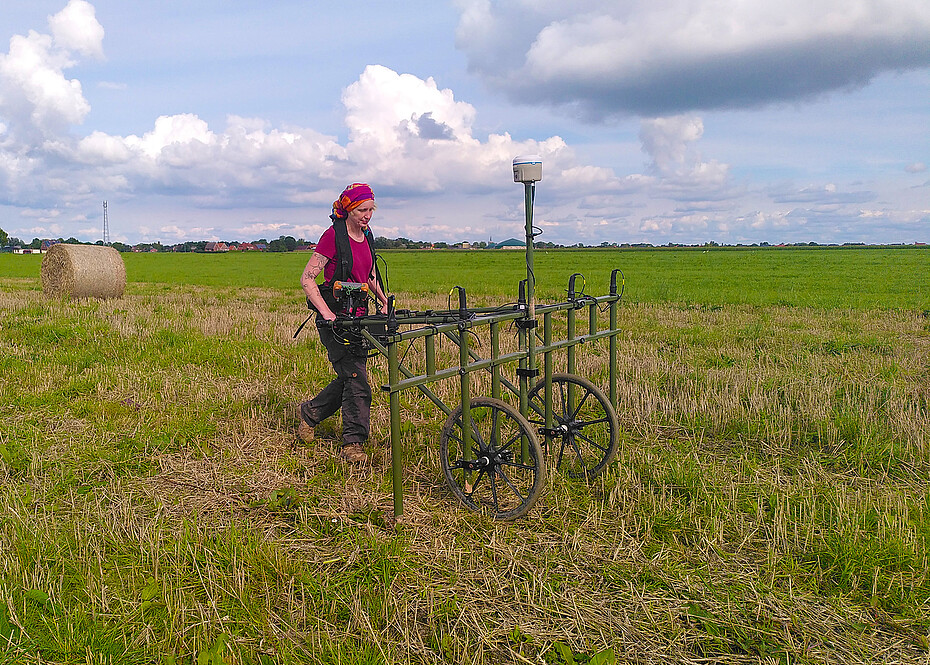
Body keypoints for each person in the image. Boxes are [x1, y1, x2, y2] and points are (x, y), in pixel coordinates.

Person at [298, 183, 389, 464]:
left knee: (350, 377)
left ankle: (311, 413)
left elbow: (369, 274)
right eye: (363, 210)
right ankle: (353, 445)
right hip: (335, 321)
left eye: (371, 209)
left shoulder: (367, 236)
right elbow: (307, 279)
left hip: (359, 318)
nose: (368, 215)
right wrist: (327, 313)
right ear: (349, 209)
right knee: (358, 381)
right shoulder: (332, 237)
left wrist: (383, 301)